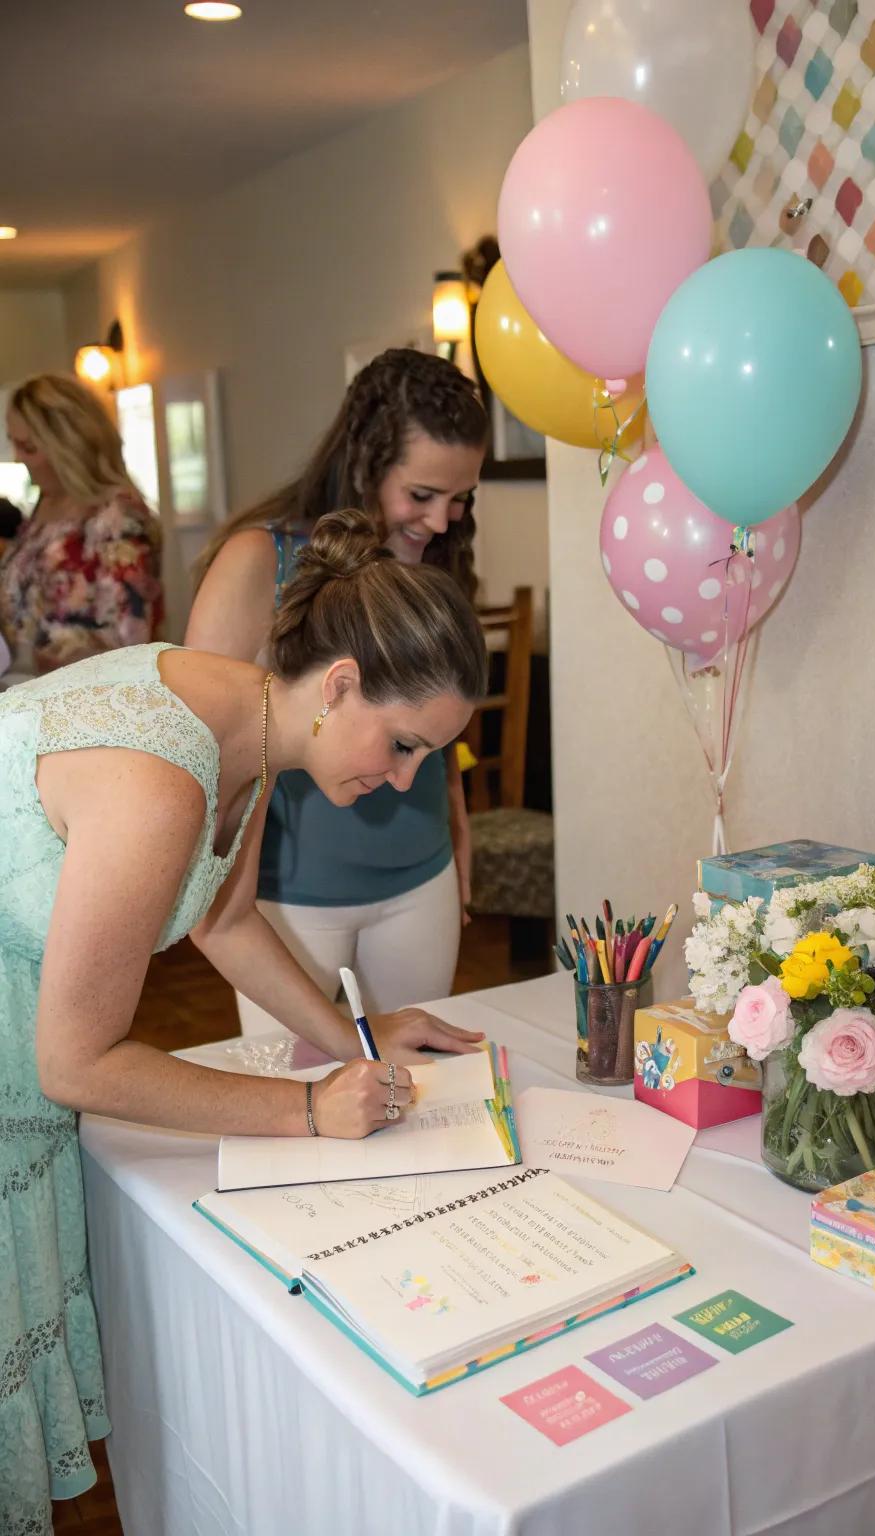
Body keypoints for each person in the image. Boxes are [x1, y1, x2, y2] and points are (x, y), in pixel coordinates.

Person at [0, 509, 487, 1534]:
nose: (405, 780)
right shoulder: (159, 779)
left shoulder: (253, 728)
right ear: (342, 681)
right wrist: (306, 1109)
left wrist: (357, 1038)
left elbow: (222, 915)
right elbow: (75, 1062)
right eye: (402, 746)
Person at [187, 348, 488, 1037]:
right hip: (291, 897)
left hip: (420, 880)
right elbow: (207, 746)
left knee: (415, 1088)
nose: (442, 521)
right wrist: (218, 902)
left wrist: (460, 836)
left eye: (460, 498)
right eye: (421, 496)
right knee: (297, 1088)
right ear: (365, 463)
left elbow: (435, 723)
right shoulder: (258, 562)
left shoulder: (438, 561)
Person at [0, 373, 163, 680]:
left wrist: (28, 659)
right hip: (21, 693)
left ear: (68, 446)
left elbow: (128, 644)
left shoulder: (119, 520)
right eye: (14, 443)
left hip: (79, 706)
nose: (18, 458)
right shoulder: (44, 505)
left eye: (29, 447)